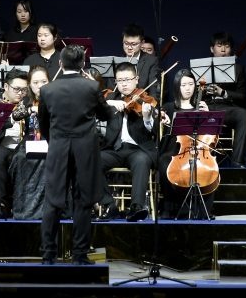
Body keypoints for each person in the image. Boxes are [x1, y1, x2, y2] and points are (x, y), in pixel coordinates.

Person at [37, 44, 119, 265]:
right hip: (85, 150)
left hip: (58, 149)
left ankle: (48, 255)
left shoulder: (47, 90)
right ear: (83, 64)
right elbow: (105, 115)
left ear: (61, 64)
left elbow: (43, 124)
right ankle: (80, 255)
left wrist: (54, 141)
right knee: (83, 201)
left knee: (53, 201)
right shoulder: (91, 87)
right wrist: (113, 109)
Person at [96, 62, 158, 222]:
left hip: (138, 149)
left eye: (127, 80)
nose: (123, 84)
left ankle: (137, 207)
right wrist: (110, 103)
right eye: (119, 80)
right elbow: (92, 103)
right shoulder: (110, 97)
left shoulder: (146, 99)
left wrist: (146, 117)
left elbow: (153, 130)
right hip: (113, 149)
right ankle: (110, 205)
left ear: (136, 79)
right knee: (91, 160)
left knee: (141, 160)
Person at [156, 68, 216, 219]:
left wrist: (208, 116)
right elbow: (159, 119)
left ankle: (203, 209)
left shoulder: (201, 106)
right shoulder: (170, 107)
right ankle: (168, 207)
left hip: (197, 149)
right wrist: (162, 118)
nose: (188, 88)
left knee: (209, 169)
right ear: (177, 87)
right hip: (174, 149)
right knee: (164, 162)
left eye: (190, 84)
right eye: (184, 85)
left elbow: (212, 134)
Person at [199, 32, 246, 167]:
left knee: (244, 114)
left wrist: (223, 92)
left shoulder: (238, 69)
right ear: (212, 49)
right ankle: (199, 162)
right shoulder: (202, 67)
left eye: (227, 46)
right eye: (219, 45)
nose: (223, 50)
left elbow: (243, 96)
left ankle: (237, 162)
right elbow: (191, 95)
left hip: (227, 108)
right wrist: (202, 91)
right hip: (207, 107)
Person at [0, 69, 31, 219]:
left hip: (23, 148)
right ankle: (3, 204)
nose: (20, 93)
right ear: (6, 87)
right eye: (16, 89)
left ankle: (27, 206)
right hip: (1, 148)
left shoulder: (27, 104)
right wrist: (12, 118)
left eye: (24, 89)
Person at [8, 65, 49, 219]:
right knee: (19, 159)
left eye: (43, 81)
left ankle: (44, 209)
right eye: (35, 82)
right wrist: (30, 109)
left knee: (47, 161)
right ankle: (22, 208)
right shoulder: (26, 100)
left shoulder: (54, 99)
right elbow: (16, 115)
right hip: (30, 140)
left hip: (49, 140)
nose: (39, 86)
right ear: (30, 85)